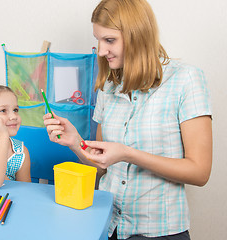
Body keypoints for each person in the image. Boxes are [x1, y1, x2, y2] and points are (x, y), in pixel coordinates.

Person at [43, 0, 212, 239]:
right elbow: (100, 166)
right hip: (107, 225)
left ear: (138, 36)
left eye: (109, 40)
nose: (101, 51)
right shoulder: (108, 88)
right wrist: (75, 142)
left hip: (160, 231)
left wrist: (128, 153)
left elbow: (199, 172)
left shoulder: (186, 80)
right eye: (98, 40)